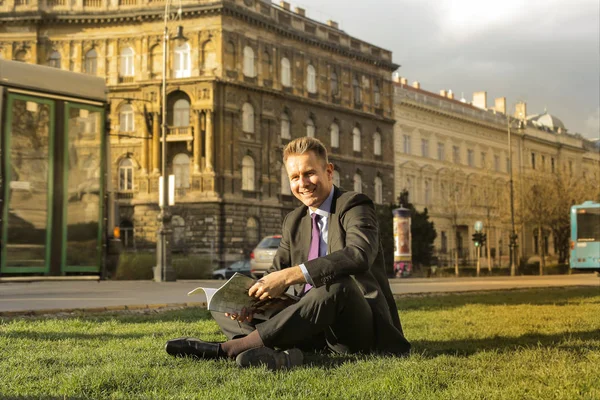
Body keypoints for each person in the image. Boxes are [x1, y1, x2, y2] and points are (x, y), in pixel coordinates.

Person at [166, 137, 410, 370]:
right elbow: (275, 273)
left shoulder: (354, 204)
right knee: (222, 307)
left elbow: (359, 255)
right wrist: (249, 300)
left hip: (355, 326)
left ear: (328, 171)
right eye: (294, 177)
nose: (302, 183)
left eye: (309, 173)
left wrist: (292, 276)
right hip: (308, 324)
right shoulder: (294, 221)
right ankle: (281, 355)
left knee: (336, 286)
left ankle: (231, 348)